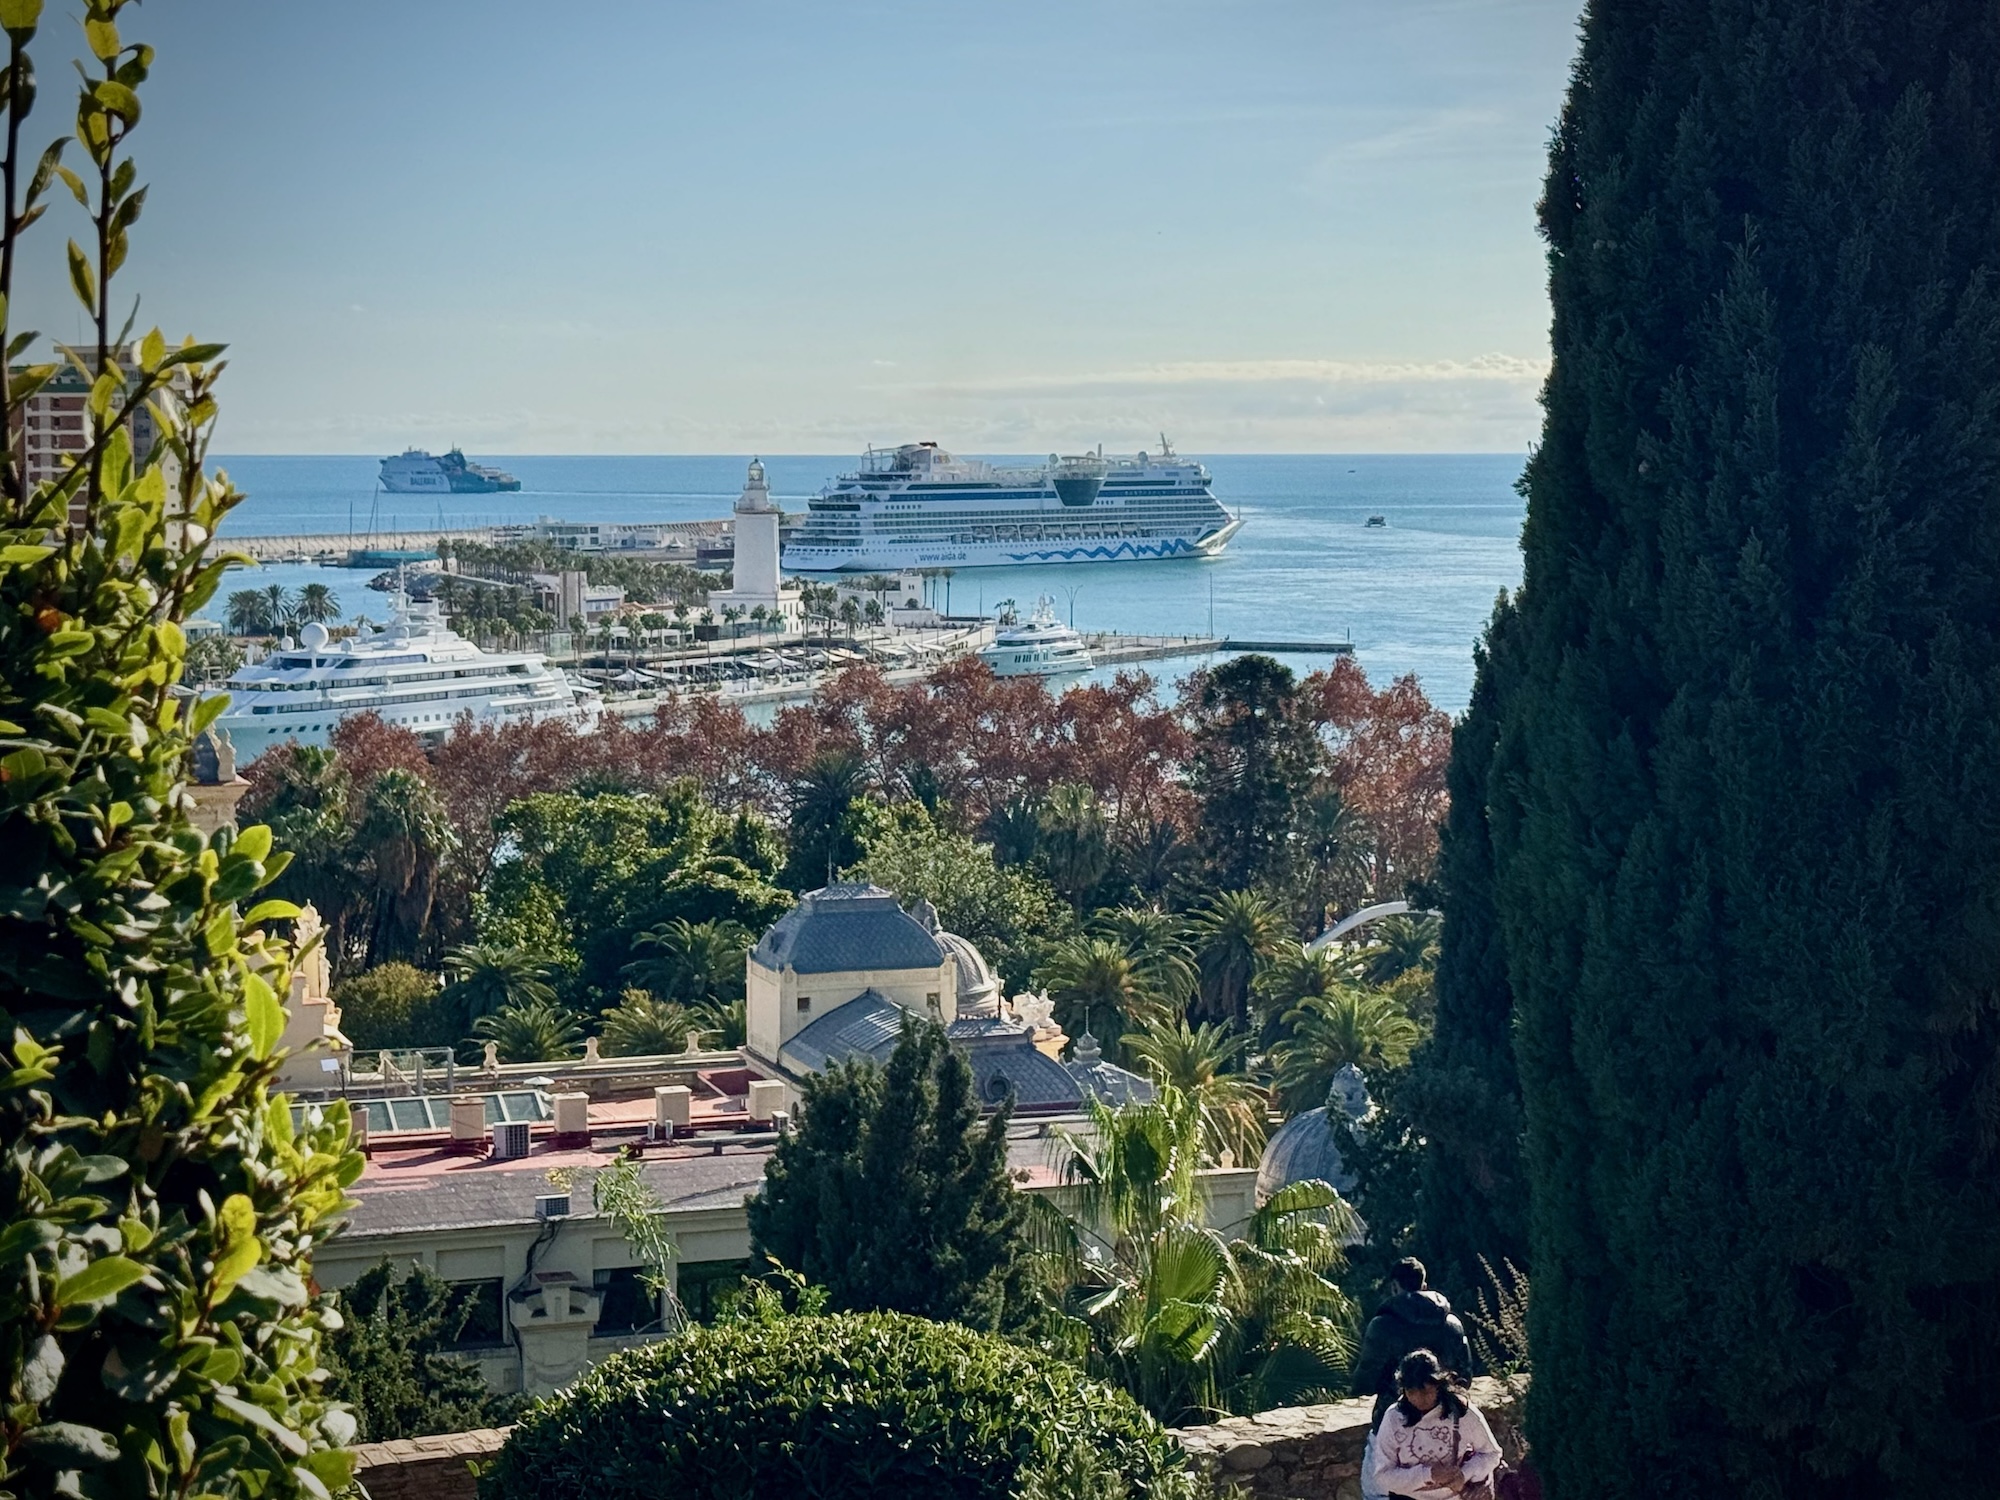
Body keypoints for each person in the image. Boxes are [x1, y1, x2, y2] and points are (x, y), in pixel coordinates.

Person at [1351, 1257, 1473, 1427]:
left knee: (1377, 1452)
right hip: (1443, 1415)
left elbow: (1367, 1377)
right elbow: (1464, 1375)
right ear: (1424, 1285)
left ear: (1394, 1286)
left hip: (1396, 1416)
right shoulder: (1452, 1323)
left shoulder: (1383, 1325)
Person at [1368, 1349, 1503, 1500]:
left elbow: (1491, 1454)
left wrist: (1464, 1474)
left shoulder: (1461, 1412)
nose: (1419, 1399)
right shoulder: (1394, 1417)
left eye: (1426, 1392)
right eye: (1411, 1393)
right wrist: (1428, 1474)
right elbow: (1383, 1475)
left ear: (1439, 1385)